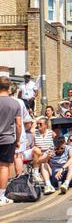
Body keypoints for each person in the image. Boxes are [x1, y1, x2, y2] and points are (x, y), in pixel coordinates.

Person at [0, 77, 22, 207]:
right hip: (8, 138)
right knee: (3, 166)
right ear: (9, 88)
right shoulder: (15, 104)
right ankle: (1, 196)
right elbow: (18, 124)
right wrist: (18, 140)